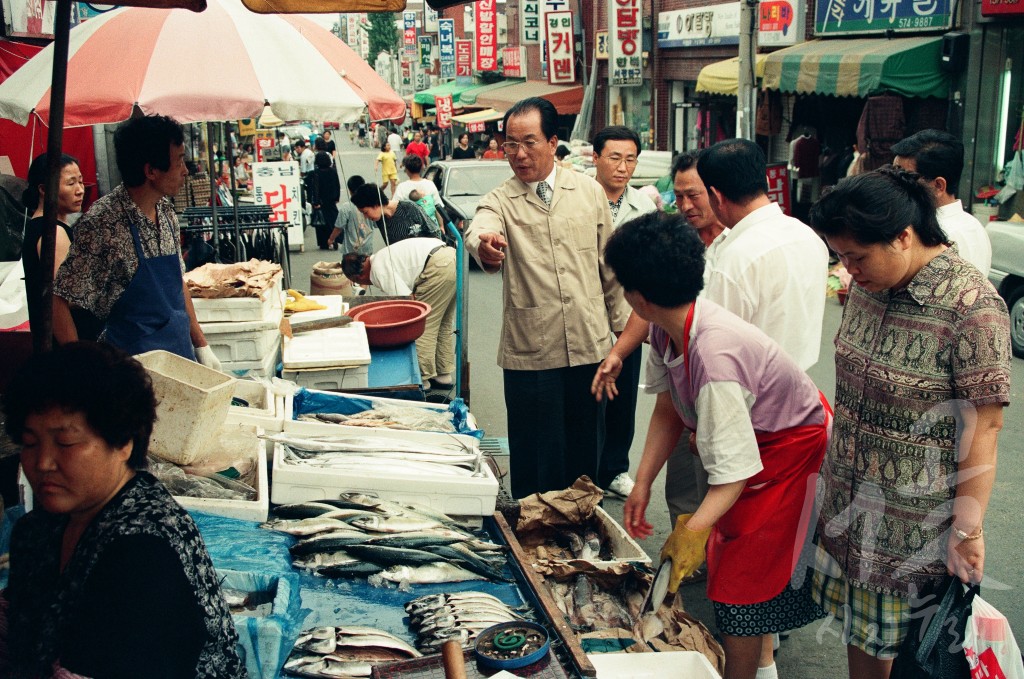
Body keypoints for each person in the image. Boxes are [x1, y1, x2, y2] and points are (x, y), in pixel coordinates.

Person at [807, 168, 1011, 677]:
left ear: (903, 236)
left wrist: (968, 531)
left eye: (857, 256)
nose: (848, 270)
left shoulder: (973, 307)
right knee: (862, 636)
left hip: (913, 529)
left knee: (918, 655)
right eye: (841, 257)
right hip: (850, 509)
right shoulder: (869, 287)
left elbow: (982, 428)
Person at [610, 212, 830, 679]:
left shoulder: (715, 356)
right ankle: (762, 667)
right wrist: (643, 482)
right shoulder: (665, 324)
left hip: (788, 450)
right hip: (755, 445)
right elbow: (668, 407)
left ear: (638, 297)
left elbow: (733, 474)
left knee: (738, 583)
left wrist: (692, 531)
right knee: (734, 561)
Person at [1, 342, 245, 678]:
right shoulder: (38, 528)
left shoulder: (143, 553)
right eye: (30, 443)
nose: (42, 463)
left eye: (66, 443)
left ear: (123, 442)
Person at [465, 97, 628, 498]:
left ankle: (582, 531)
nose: (519, 155)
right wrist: (484, 245)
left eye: (530, 143)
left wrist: (622, 343)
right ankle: (535, 541)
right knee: (535, 455)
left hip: (589, 346)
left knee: (584, 452)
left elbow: (611, 268)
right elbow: (479, 228)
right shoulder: (500, 199)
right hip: (531, 353)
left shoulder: (589, 192)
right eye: (510, 145)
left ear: (554, 142)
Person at [52, 115, 218, 367]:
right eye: (179, 160)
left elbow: (177, 281)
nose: (185, 170)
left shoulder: (165, 210)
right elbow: (57, 300)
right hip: (131, 369)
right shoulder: (103, 223)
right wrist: (79, 365)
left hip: (180, 355)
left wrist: (201, 344)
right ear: (151, 170)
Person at [590, 125, 658, 499]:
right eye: (614, 158)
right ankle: (585, 471)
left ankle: (614, 469)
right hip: (584, 313)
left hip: (628, 316)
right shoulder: (577, 196)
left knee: (622, 396)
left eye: (630, 159)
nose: (622, 167)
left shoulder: (644, 207)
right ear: (595, 157)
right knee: (587, 396)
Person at [342, 238, 456, 390]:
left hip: (436, 266)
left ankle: (422, 379)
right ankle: (443, 376)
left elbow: (409, 303)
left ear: (357, 277)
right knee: (442, 323)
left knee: (425, 325)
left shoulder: (378, 270)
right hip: (451, 257)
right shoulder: (380, 257)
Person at [20, 152, 102, 343]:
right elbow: (61, 301)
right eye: (71, 183)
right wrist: (74, 351)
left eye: (81, 182)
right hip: (71, 343)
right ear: (43, 189)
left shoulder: (42, 226)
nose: (80, 190)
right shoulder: (53, 232)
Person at [892, 129, 992, 277]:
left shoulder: (932, 233)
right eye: (893, 172)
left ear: (938, 186)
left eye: (905, 177)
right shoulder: (975, 226)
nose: (893, 182)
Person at [351, 182, 441, 245]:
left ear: (376, 204)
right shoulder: (380, 219)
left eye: (365, 212)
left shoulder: (409, 208)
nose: (365, 217)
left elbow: (435, 232)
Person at [394, 154, 446, 228]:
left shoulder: (402, 187)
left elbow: (395, 210)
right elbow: (438, 207)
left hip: (410, 229)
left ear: (407, 170)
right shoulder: (430, 184)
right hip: (431, 228)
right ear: (421, 168)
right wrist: (441, 226)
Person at [327, 175, 374, 256]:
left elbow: (338, 227)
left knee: (349, 268)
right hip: (367, 248)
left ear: (349, 190)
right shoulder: (371, 204)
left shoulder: (346, 207)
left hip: (350, 250)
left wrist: (331, 239)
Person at [310, 152, 341, 250]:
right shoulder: (333, 171)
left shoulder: (316, 172)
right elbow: (337, 185)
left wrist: (316, 202)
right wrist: (337, 197)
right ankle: (334, 240)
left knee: (322, 223)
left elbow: (315, 188)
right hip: (331, 201)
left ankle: (324, 243)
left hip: (321, 202)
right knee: (333, 221)